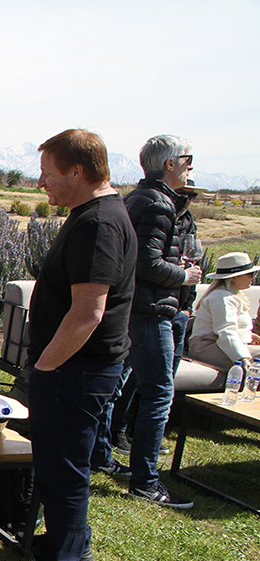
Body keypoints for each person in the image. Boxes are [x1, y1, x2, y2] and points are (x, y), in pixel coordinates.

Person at [0, 129, 136, 561]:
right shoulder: (96, 216)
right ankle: (73, 545)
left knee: (62, 469)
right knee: (68, 463)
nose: (40, 183)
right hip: (80, 369)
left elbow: (88, 313)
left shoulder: (99, 224)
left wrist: (46, 368)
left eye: (47, 173)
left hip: (75, 370)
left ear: (78, 171)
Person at [121, 135, 201, 510]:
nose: (190, 166)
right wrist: (184, 275)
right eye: (187, 159)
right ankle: (145, 481)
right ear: (169, 163)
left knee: (121, 384)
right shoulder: (158, 203)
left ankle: (103, 454)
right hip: (150, 311)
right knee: (158, 394)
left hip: (136, 308)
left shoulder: (140, 197)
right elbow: (147, 264)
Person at [187, 252, 260, 371]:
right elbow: (225, 330)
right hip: (209, 348)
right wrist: (242, 358)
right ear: (233, 277)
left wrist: (247, 335)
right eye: (250, 274)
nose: (253, 277)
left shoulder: (227, 295)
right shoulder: (222, 297)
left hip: (218, 345)